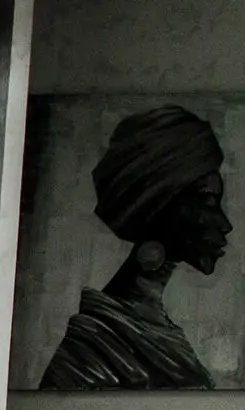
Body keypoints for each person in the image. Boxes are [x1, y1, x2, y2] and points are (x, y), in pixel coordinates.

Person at [41, 105, 233, 389]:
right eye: (207, 200)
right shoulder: (89, 351)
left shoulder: (156, 329)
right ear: (159, 204)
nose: (225, 224)